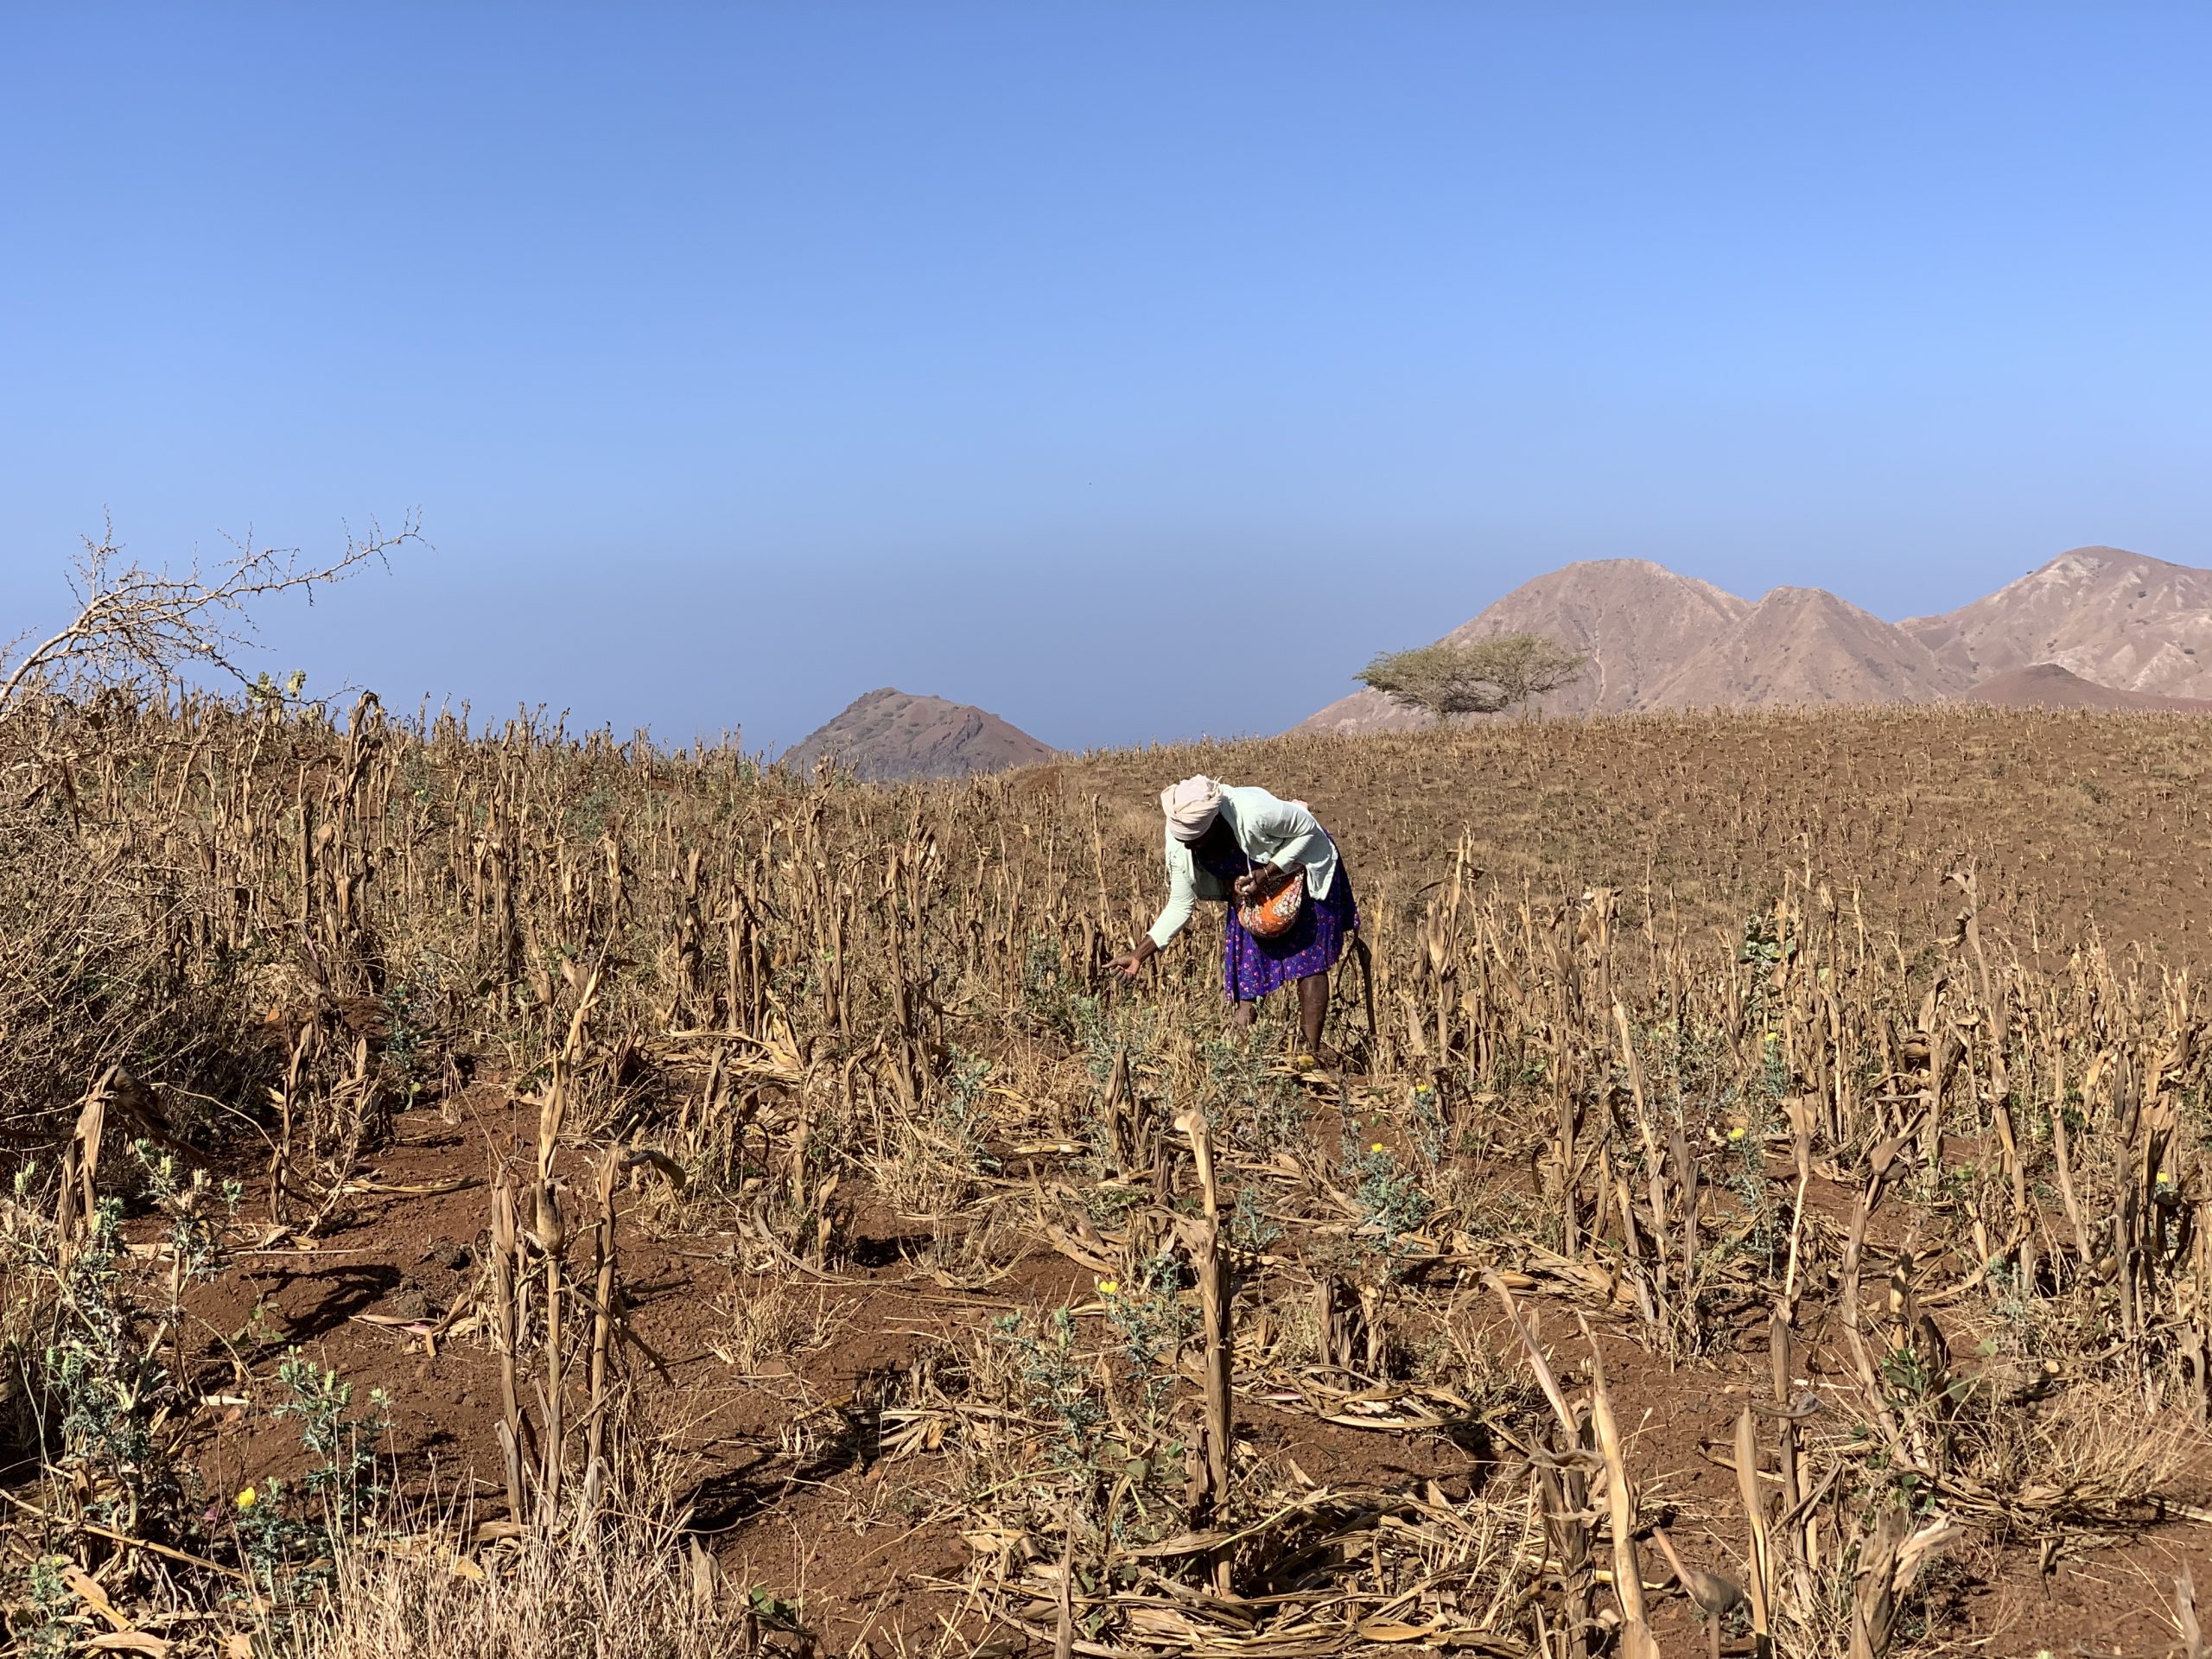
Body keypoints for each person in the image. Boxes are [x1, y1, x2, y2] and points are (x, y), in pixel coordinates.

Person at [1109, 776, 1358, 1061]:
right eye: (1184, 841)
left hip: (1304, 863)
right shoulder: (1180, 837)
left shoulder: (1255, 812)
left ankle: (1308, 1056)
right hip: (1252, 885)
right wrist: (1139, 955)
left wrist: (1267, 873)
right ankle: (1234, 1059)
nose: (1190, 847)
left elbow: (1309, 831)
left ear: (1214, 823)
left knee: (1308, 958)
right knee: (1248, 965)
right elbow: (1180, 904)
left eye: (1196, 840)